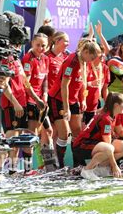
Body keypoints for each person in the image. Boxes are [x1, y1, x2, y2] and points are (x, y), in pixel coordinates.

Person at [48, 40, 101, 167]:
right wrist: (67, 108)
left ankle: (77, 163)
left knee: (77, 132)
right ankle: (60, 165)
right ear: (86, 52)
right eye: (92, 57)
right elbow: (64, 85)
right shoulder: (72, 61)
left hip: (74, 99)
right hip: (58, 99)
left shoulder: (85, 61)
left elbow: (81, 81)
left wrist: (82, 99)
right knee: (64, 134)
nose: (92, 60)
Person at [73, 93, 123, 180]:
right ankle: (87, 170)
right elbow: (108, 145)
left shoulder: (113, 115)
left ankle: (100, 169)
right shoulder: (105, 118)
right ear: (116, 105)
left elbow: (118, 133)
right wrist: (114, 166)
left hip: (95, 144)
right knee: (109, 148)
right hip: (81, 146)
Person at [21, 33, 52, 170]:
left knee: (49, 131)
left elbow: (45, 79)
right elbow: (25, 82)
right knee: (31, 135)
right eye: (38, 45)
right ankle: (28, 169)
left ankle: (47, 165)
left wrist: (45, 94)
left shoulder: (45, 58)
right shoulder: (28, 59)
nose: (40, 48)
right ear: (32, 44)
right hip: (30, 101)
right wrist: (36, 98)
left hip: (41, 100)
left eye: (43, 45)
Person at [84, 52, 110, 124]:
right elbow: (78, 84)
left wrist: (107, 103)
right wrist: (90, 83)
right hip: (83, 103)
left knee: (93, 128)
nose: (102, 55)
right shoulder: (86, 66)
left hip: (96, 104)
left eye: (103, 52)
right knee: (80, 129)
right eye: (99, 53)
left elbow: (105, 88)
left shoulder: (105, 68)